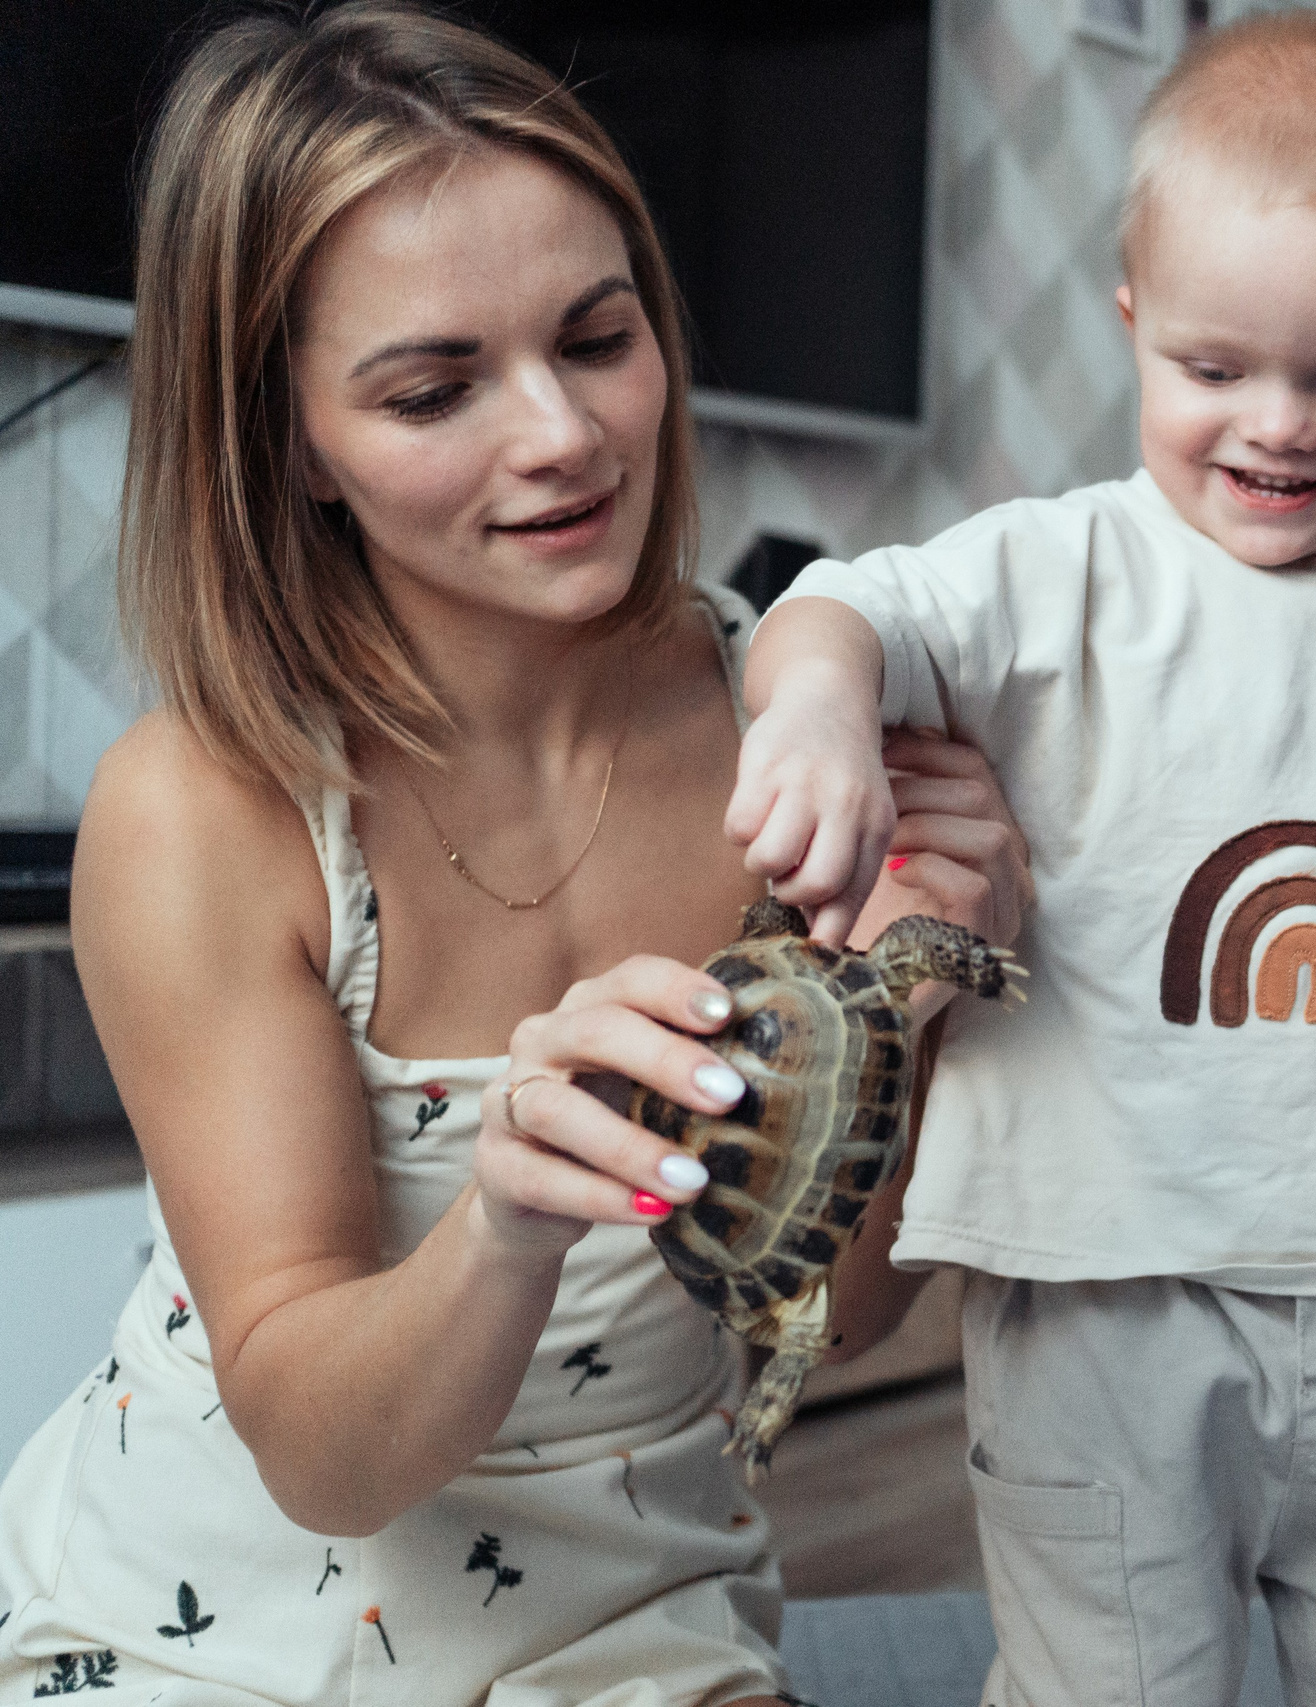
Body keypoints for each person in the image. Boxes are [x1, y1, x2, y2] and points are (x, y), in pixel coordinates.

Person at [0, 7, 1030, 1700]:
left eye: (598, 337)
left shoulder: (798, 735)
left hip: (635, 1625)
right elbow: (325, 1462)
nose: (562, 435)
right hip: (209, 1633)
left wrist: (901, 1022)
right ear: (291, 445)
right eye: (434, 388)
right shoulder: (208, 807)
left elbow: (834, 1318)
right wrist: (504, 1224)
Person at [726, 14, 1316, 1705]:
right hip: (1107, 1285)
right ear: (1135, 319)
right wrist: (813, 720)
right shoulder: (1058, 572)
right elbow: (846, 604)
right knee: (1117, 1679)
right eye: (1216, 372)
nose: (1279, 429)